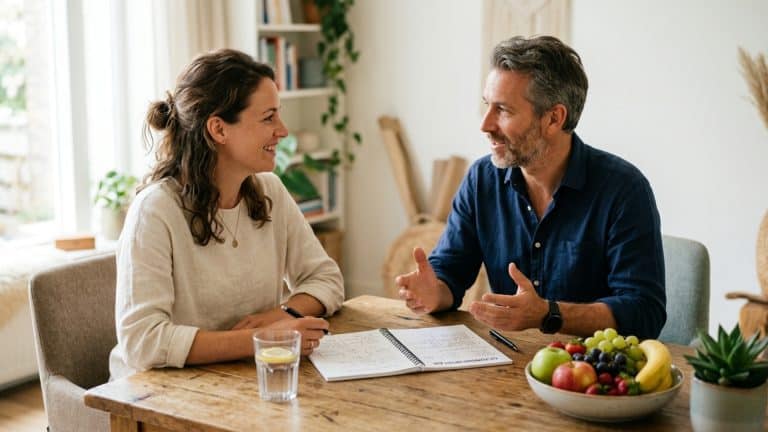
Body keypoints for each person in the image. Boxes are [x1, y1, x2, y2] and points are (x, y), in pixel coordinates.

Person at [396, 36, 665, 340]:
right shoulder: (482, 179)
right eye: (487, 105)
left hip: (593, 364)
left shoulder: (625, 190)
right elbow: (450, 272)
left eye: (503, 110)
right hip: (510, 360)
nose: (485, 125)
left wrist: (548, 314)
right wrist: (434, 292)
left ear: (554, 118)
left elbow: (644, 312)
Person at [109, 49, 343, 380]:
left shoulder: (270, 191)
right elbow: (142, 342)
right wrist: (263, 339)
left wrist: (282, 313)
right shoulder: (155, 211)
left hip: (242, 378)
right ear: (219, 129)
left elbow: (326, 278)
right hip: (158, 392)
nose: (283, 130)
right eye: (268, 118)